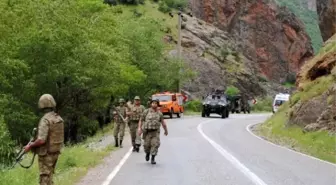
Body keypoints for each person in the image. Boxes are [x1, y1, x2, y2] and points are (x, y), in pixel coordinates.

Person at [24, 94, 64, 185]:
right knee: (49, 178)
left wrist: (30, 145)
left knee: (44, 179)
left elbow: (41, 140)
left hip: (46, 154)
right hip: (55, 152)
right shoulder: (57, 118)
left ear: (41, 105)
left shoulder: (45, 120)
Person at [138, 99, 168, 164]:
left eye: (155, 103)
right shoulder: (146, 111)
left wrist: (166, 130)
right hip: (147, 132)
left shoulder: (159, 113)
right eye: (153, 103)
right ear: (151, 104)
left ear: (157, 105)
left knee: (155, 145)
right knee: (146, 145)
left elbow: (163, 123)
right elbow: (141, 120)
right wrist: (139, 129)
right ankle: (147, 153)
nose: (154, 104)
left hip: (155, 132)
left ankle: (153, 158)